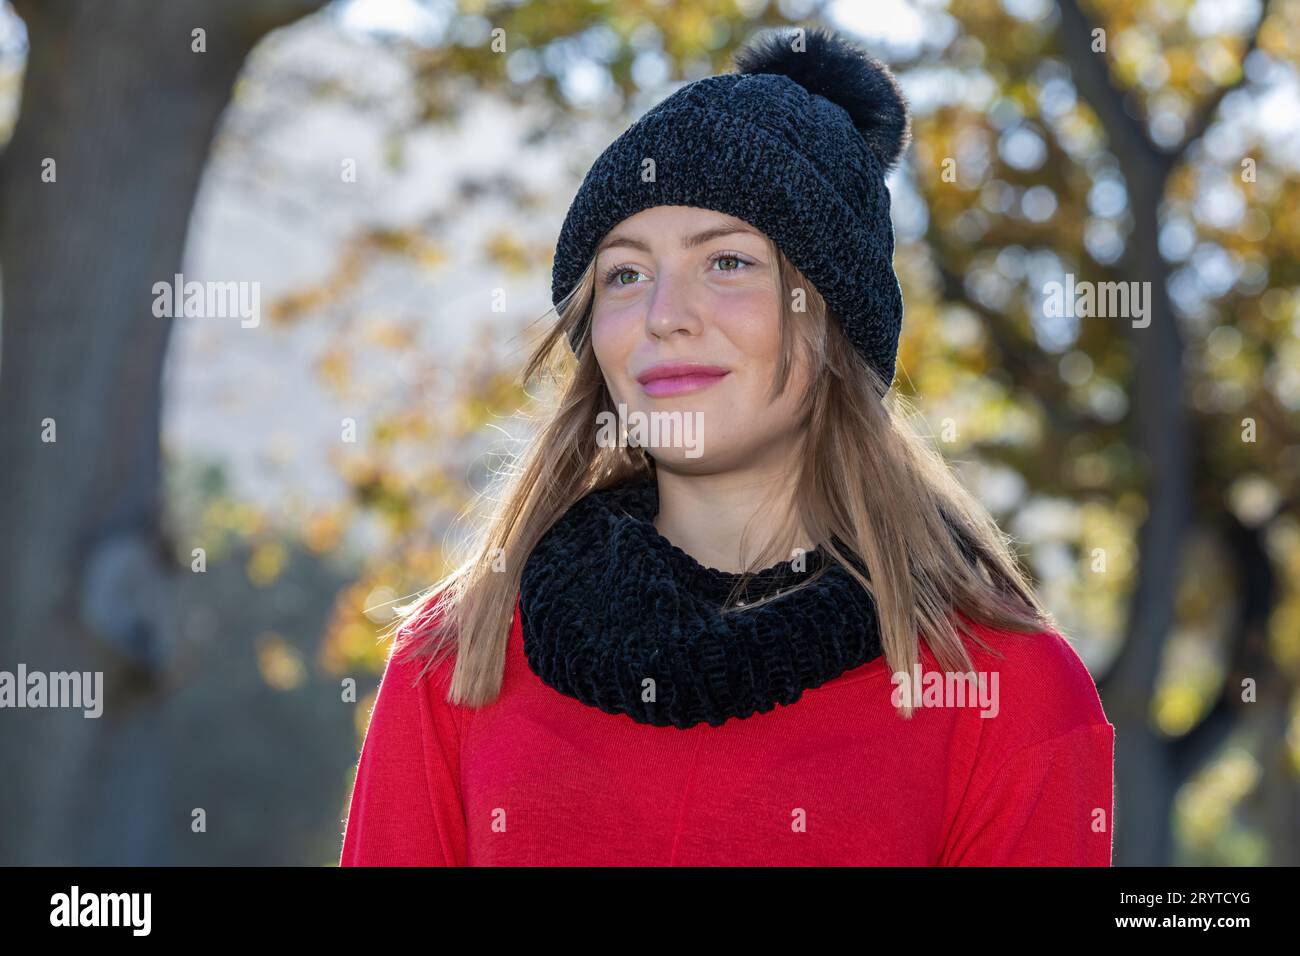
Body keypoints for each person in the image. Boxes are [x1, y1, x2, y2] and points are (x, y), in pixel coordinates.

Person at [339, 25, 1114, 866]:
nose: (665, 313)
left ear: (833, 320)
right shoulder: (460, 656)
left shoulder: (1007, 694)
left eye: (728, 262)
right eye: (625, 274)